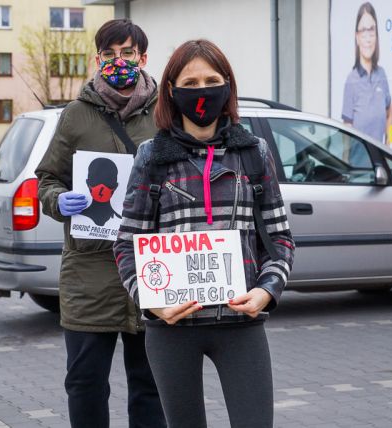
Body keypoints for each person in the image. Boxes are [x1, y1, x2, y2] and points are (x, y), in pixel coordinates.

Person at [113, 40, 295, 428]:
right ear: (172, 91)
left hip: (241, 325)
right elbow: (127, 243)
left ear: (227, 86)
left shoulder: (254, 152)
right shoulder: (151, 156)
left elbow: (280, 240)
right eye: (190, 82)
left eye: (212, 80)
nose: (202, 91)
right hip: (172, 328)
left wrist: (266, 291)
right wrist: (150, 301)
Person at [35, 19, 166, 428]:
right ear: (97, 59)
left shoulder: (167, 114)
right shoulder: (76, 115)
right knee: (86, 383)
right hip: (90, 272)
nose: (118, 61)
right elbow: (47, 179)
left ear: (143, 58)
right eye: (109, 54)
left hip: (153, 270)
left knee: (152, 384)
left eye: (127, 53)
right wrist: (60, 200)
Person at [342, 1, 392, 164]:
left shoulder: (382, 74)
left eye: (371, 31)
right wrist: (344, 165)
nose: (368, 38)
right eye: (363, 31)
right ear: (357, 37)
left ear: (377, 35)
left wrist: (388, 146)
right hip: (358, 167)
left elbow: (389, 113)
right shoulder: (351, 79)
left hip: (381, 165)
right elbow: (346, 130)